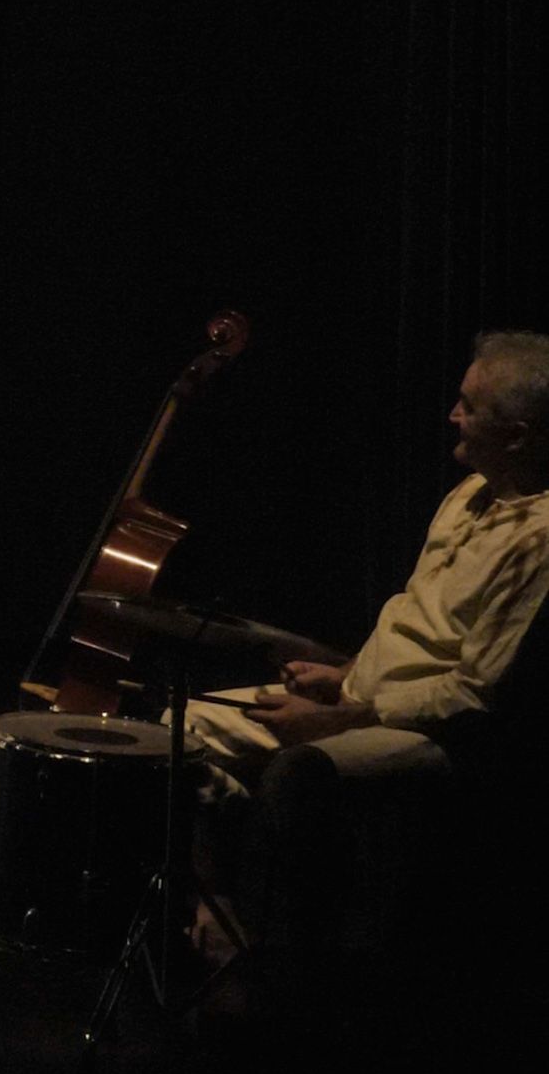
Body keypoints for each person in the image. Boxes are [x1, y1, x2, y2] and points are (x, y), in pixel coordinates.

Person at [183, 332, 546, 1008]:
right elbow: (415, 623)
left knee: (300, 771)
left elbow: (475, 694)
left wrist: (343, 717)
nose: (453, 416)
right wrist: (344, 673)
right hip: (365, 701)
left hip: (439, 735)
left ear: (519, 435)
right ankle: (221, 918)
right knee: (180, 729)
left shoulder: (541, 541)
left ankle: (289, 974)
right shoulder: (470, 493)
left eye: (470, 407)